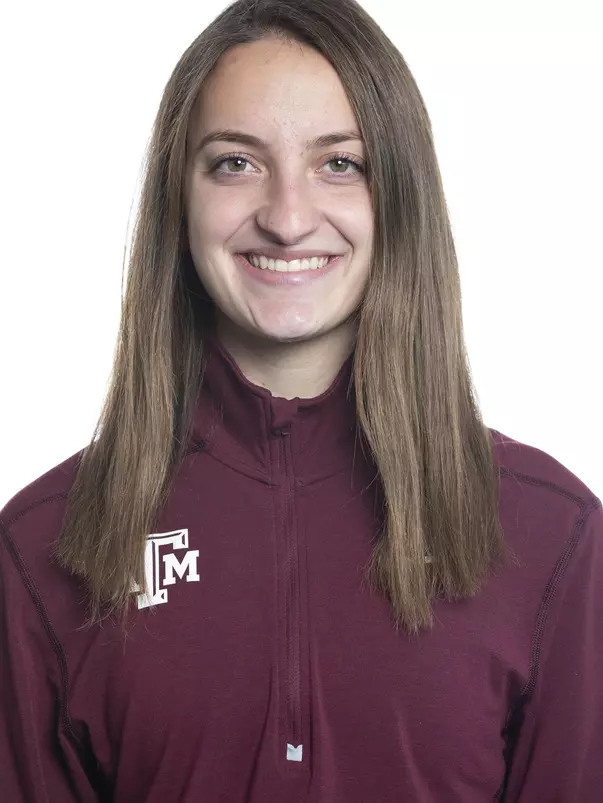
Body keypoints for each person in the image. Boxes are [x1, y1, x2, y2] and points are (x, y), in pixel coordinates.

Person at [0, 0, 601, 800]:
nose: (287, 218)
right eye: (235, 162)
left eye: (339, 163)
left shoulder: (550, 532)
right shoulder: (45, 544)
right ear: (178, 201)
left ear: (399, 196)